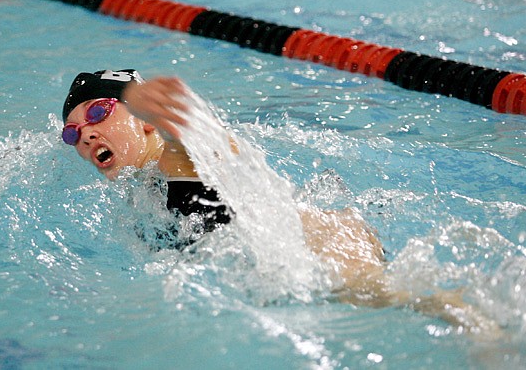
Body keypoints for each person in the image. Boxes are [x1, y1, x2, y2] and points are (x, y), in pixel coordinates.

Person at [61, 69, 499, 336]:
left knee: (395, 298)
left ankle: (485, 327)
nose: (87, 134)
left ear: (146, 124)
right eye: (73, 133)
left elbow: (189, 126)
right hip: (289, 249)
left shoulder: (176, 155)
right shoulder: (143, 193)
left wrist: (139, 100)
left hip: (322, 242)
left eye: (99, 113)